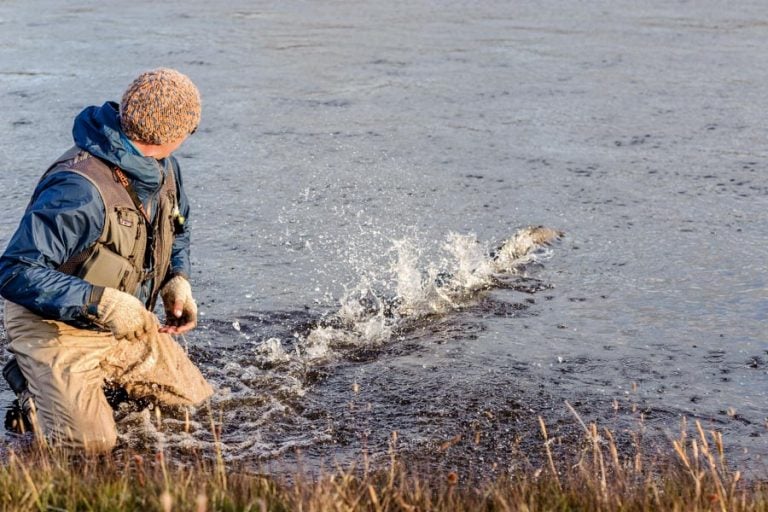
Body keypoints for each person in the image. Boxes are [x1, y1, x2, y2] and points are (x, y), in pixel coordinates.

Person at [0, 68, 213, 453]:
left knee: (196, 409)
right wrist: (102, 302)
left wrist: (176, 279)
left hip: (121, 319)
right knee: (90, 446)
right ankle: (31, 388)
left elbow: (179, 227)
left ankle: (94, 391)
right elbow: (14, 271)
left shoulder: (166, 169)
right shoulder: (78, 189)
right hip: (54, 327)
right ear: (173, 134)